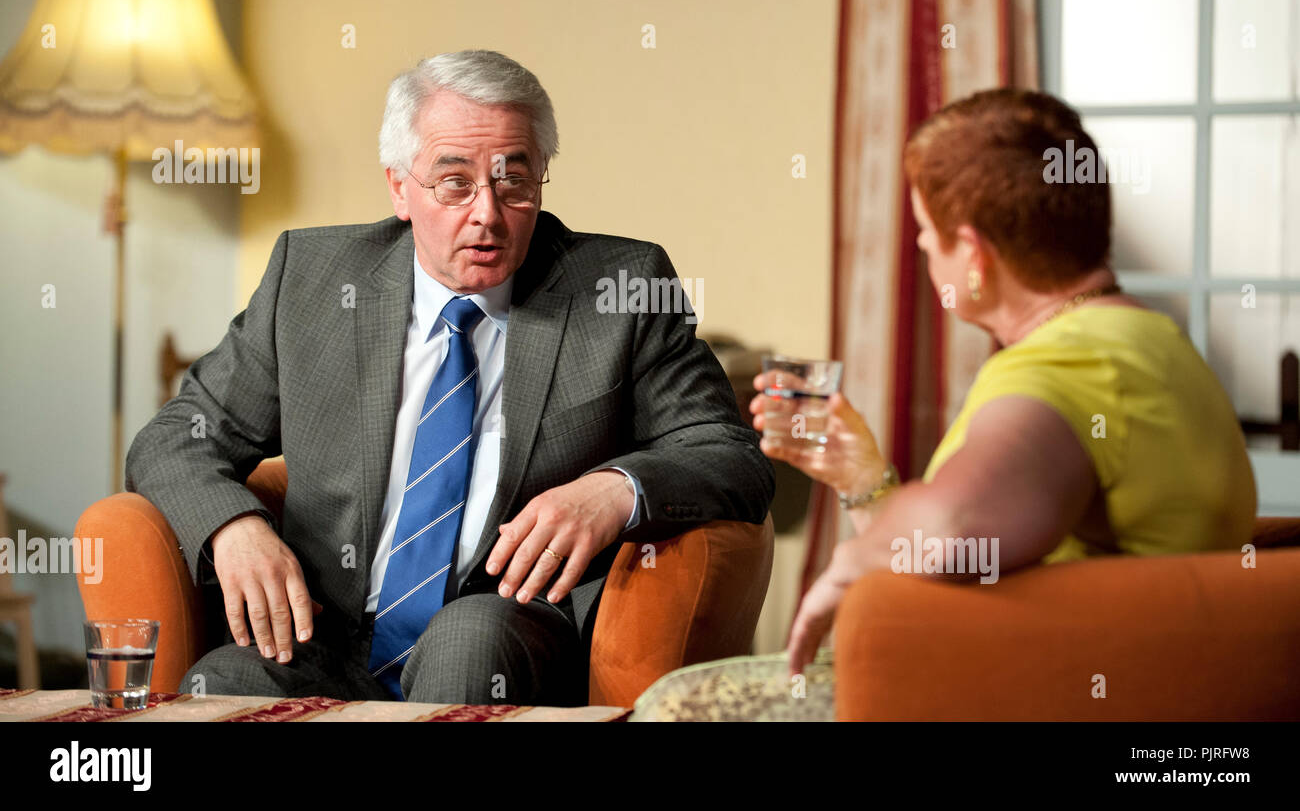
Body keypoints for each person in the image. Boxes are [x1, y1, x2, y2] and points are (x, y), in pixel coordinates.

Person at [125, 49, 773, 706]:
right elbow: (175, 435)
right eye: (455, 182)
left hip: (508, 625)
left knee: (467, 636)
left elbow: (731, 454)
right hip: (327, 630)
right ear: (399, 187)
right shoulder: (312, 282)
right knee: (218, 683)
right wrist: (233, 527)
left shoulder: (620, 289)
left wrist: (613, 491)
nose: (487, 213)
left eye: (513, 181)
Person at [752, 88, 1257, 679]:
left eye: (924, 227)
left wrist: (842, 568)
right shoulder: (1150, 341)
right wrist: (864, 480)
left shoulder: (1067, 364)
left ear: (972, 253)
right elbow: (971, 556)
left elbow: (950, 531)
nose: (918, 243)